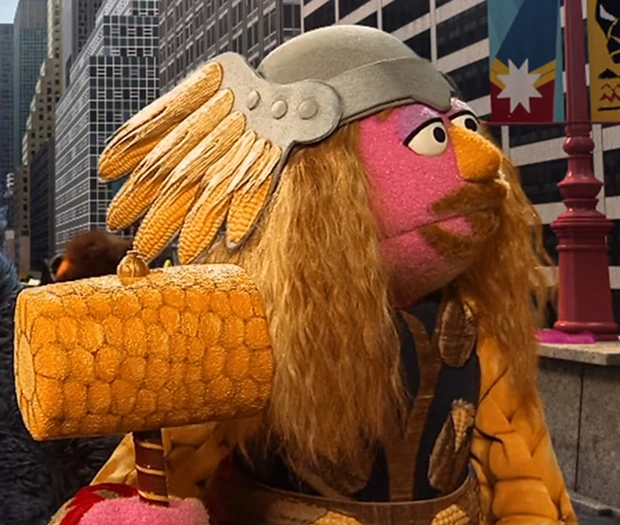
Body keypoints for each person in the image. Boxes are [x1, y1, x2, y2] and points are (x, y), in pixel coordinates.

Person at [39, 26, 575, 525]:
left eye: (465, 126)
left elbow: (524, 481)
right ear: (319, 187)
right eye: (432, 137)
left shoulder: (474, 329)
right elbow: (151, 477)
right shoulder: (243, 332)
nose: (483, 160)